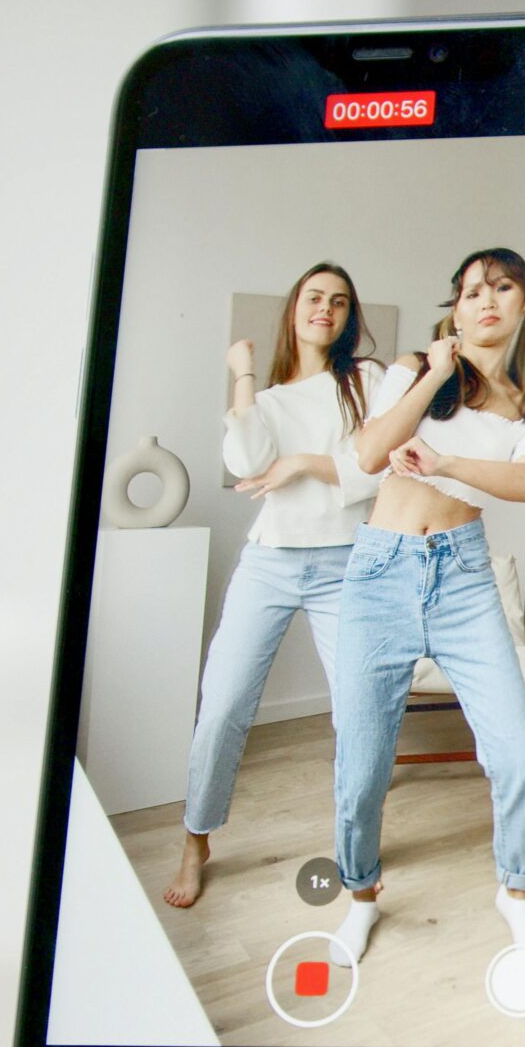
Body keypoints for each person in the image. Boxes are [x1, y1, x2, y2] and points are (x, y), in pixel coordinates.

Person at [327, 247, 525, 965]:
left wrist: (447, 463)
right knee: (361, 766)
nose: (485, 300)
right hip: (379, 573)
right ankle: (361, 896)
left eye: (502, 287)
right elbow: (370, 454)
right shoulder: (413, 370)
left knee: (518, 754)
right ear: (454, 309)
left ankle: (516, 894)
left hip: (463, 579)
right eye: (470, 291)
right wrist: (433, 371)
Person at [164, 262, 388, 909]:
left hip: (345, 564)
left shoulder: (366, 381)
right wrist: (242, 373)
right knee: (223, 706)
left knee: (360, 713)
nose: (326, 309)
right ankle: (196, 839)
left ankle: (358, 851)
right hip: (270, 563)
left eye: (339, 301)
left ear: (348, 317)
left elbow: (376, 469)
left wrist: (302, 465)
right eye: (315, 297)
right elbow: (245, 461)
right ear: (295, 309)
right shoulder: (264, 400)